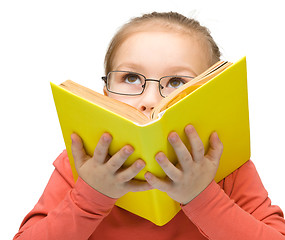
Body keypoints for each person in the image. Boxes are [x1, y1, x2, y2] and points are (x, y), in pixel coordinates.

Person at [14, 11, 285, 240]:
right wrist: (91, 197)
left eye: (177, 82)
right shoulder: (81, 162)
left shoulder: (226, 164)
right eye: (131, 77)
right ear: (106, 92)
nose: (150, 100)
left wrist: (202, 197)